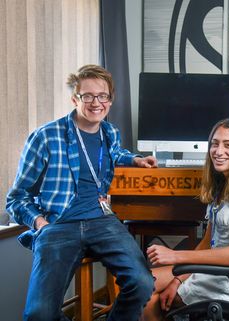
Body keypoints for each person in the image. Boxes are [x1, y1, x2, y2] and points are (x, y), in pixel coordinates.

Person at [6, 64, 157, 321]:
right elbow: (16, 198)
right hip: (58, 224)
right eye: (88, 96)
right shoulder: (45, 137)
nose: (96, 102)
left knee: (142, 282)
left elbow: (114, 154)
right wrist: (40, 223)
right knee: (38, 314)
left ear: (110, 99)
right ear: (75, 98)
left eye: (103, 96)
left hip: (102, 221)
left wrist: (135, 160)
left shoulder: (110, 133)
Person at [142, 118, 229, 321]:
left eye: (228, 145)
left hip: (228, 279)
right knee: (138, 284)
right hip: (208, 271)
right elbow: (205, 244)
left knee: (146, 297)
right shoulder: (221, 187)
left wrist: (176, 257)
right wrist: (177, 280)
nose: (218, 151)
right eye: (215, 144)